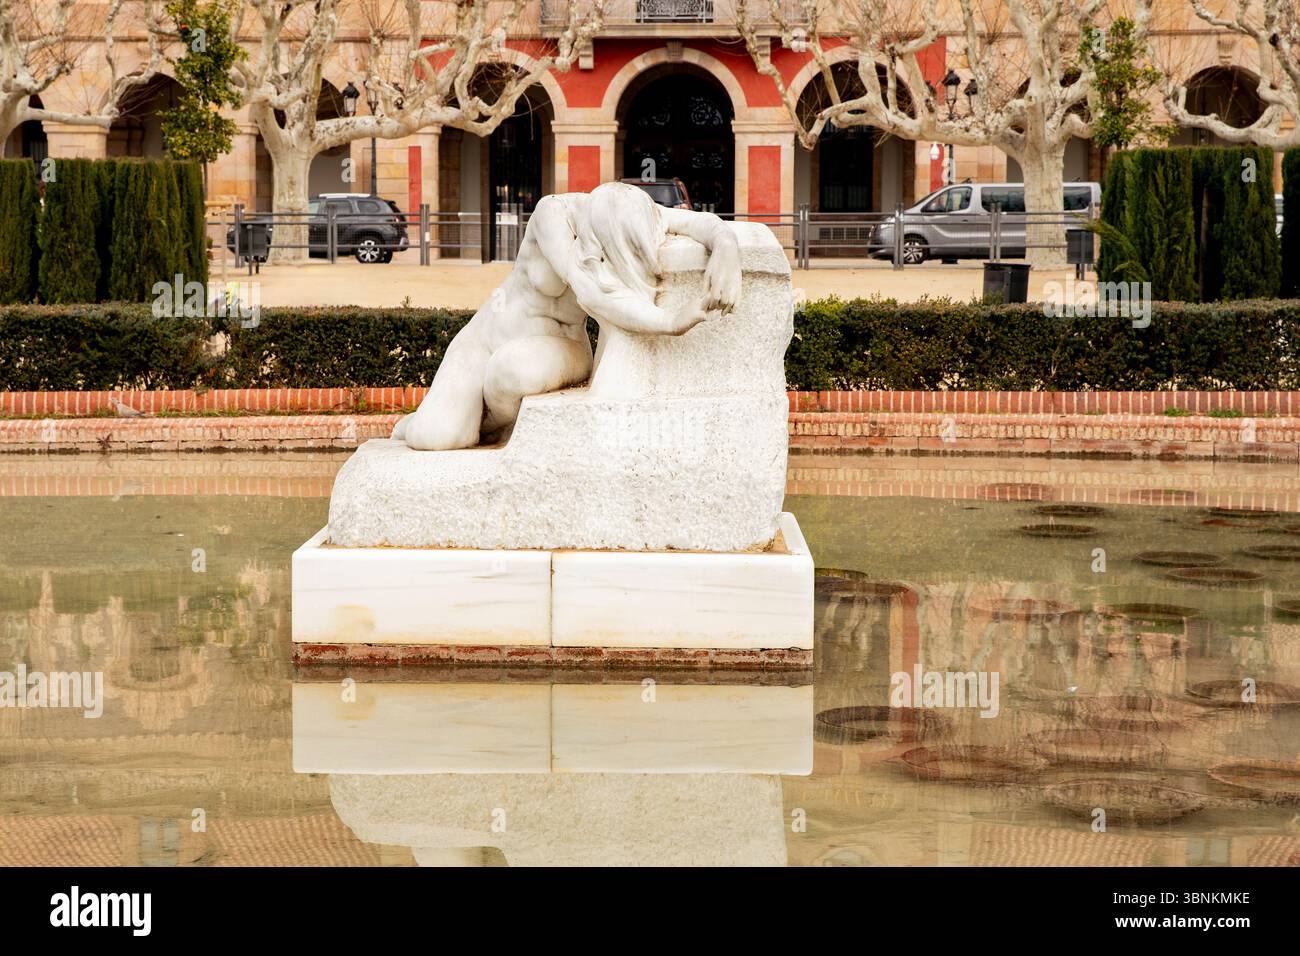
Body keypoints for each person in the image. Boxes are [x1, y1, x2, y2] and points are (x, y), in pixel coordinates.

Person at [392, 181, 741, 451]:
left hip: (557, 348)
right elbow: (591, 291)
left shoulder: (640, 214)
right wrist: (668, 322)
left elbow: (708, 224)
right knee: (435, 436)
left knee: (511, 369)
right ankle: (426, 420)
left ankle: (490, 423)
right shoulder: (553, 214)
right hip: (486, 336)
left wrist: (726, 248)